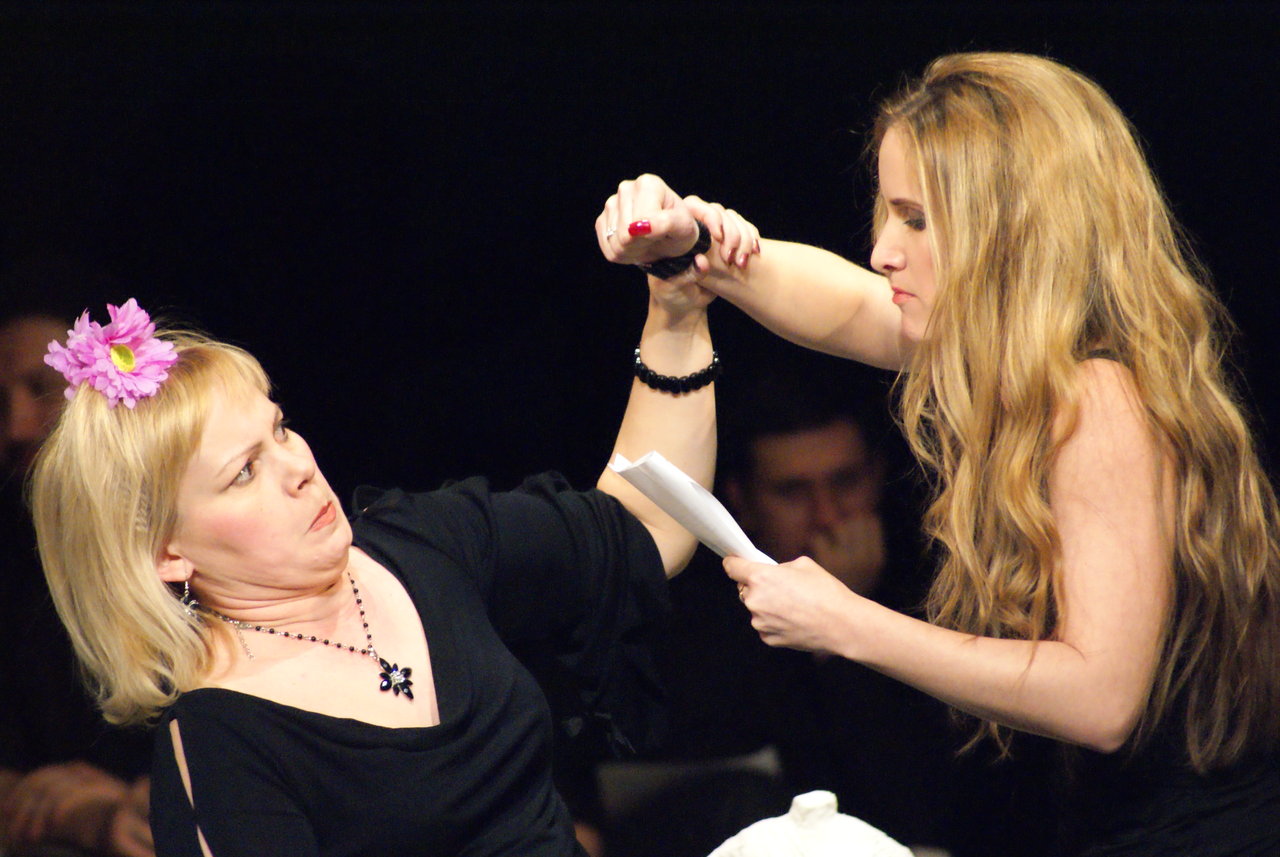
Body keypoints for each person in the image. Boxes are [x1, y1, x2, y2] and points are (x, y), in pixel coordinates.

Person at [599, 53, 1280, 854]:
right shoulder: (1021, 363)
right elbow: (849, 306)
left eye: (915, 220)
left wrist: (845, 621)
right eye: (889, 213)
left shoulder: (1099, 394)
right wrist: (696, 248)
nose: (884, 250)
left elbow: (1103, 697)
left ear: (1012, 228)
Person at [27, 199, 758, 857]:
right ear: (165, 552)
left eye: (279, 429)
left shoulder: (421, 544)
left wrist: (676, 301)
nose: (298, 466)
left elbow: (644, 527)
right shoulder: (223, 747)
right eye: (244, 471)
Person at [1, 306, 155, 857]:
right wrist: (69, 808)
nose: (17, 428)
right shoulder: (17, 565)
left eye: (42, 389)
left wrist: (126, 810)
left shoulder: (194, 537)